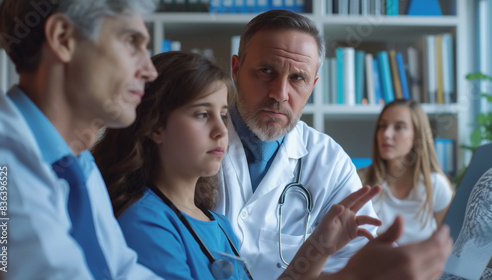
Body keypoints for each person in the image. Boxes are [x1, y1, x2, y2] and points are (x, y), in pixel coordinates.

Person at [92, 51, 383, 280]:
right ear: (155, 126)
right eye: (202, 115)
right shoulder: (144, 222)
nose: (221, 131)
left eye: (222, 114)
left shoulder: (217, 224)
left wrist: (319, 247)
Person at [216, 9, 453, 279]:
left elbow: (359, 260)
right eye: (266, 71)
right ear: (236, 70)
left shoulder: (329, 162)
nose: (279, 94)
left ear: (313, 85)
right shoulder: (193, 146)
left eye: (297, 78)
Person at [0, 0, 162, 279]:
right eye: (132, 41)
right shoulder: (0, 159)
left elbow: (119, 269)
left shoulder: (78, 164)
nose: (150, 70)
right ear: (63, 39)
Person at [358, 99, 454, 244]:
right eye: (382, 126)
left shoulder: (436, 185)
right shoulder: (359, 180)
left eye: (399, 127)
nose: (386, 134)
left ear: (417, 135)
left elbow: (452, 246)